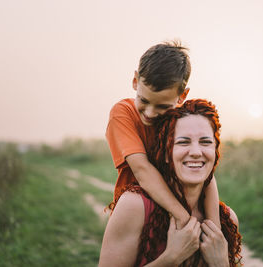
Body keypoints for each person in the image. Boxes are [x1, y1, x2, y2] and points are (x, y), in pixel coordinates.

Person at [99, 99, 242, 267]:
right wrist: (171, 258)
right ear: (167, 153)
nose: (196, 152)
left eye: (205, 142)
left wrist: (222, 264)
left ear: (215, 151)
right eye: (183, 142)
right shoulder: (135, 207)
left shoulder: (227, 219)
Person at [106, 41, 220, 229]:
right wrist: (184, 220)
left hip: (183, 210)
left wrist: (214, 228)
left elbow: (206, 173)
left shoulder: (183, 119)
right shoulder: (123, 113)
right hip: (138, 214)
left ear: (182, 96)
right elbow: (142, 170)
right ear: (135, 81)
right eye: (144, 100)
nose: (150, 113)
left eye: (163, 106)